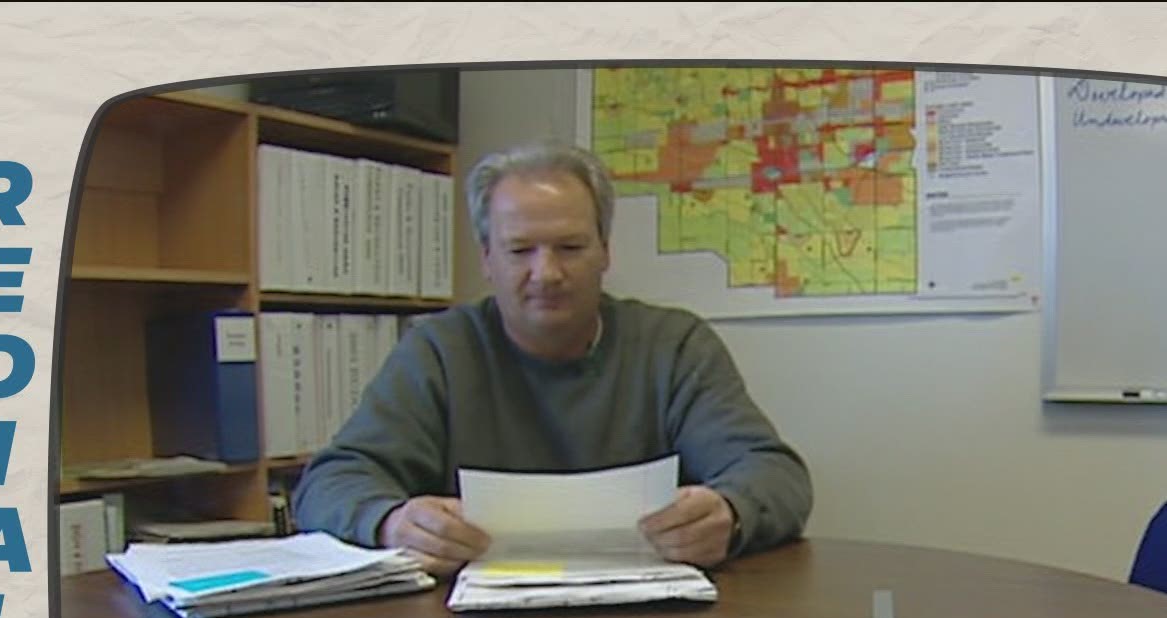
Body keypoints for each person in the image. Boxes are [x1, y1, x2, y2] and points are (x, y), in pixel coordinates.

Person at [291, 141, 813, 577]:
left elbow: (774, 474)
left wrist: (731, 512)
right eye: (520, 250)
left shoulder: (672, 346)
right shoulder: (439, 351)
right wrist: (390, 521)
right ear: (487, 258)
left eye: (570, 247)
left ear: (606, 251)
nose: (547, 273)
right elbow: (330, 482)